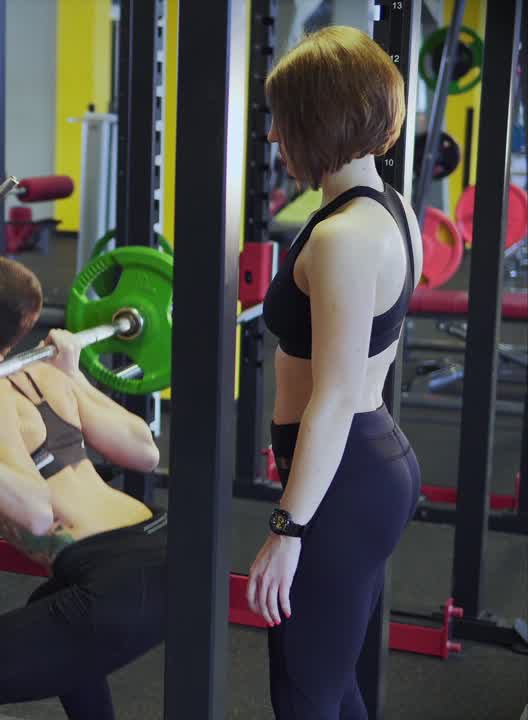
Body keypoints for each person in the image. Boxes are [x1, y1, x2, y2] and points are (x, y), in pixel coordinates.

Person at [251, 26, 423, 719]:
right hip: (364, 463)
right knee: (331, 679)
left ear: (318, 120)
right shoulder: (389, 207)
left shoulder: (344, 236)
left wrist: (287, 532)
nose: (274, 138)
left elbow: (334, 397)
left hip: (344, 477)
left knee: (304, 689)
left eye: (283, 121)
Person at [0, 255, 165, 720]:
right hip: (160, 546)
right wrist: (74, 374)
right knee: (50, 613)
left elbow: (35, 513)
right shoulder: (44, 374)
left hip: (116, 582)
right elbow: (145, 452)